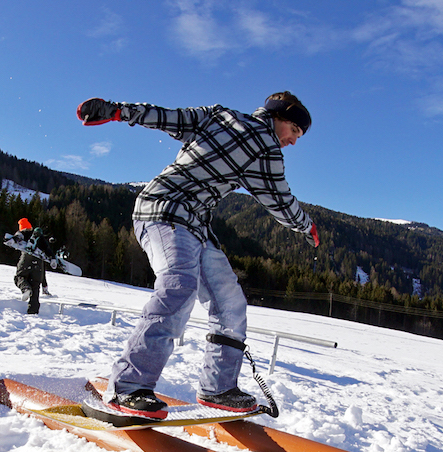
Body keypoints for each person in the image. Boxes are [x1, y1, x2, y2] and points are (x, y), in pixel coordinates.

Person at [76, 92, 319, 419]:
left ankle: (218, 387)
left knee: (229, 302)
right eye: (295, 132)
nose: (293, 141)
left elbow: (165, 116)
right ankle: (128, 388)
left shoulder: (219, 115)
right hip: (164, 212)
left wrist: (118, 111)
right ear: (282, 118)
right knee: (179, 284)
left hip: (195, 226)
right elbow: (280, 200)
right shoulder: (267, 150)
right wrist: (307, 227)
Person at [13, 217, 51, 315]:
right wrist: (44, 284)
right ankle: (33, 313)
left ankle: (25, 288)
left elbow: (18, 236)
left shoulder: (23, 234)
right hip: (38, 266)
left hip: (26, 261)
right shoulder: (39, 238)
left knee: (19, 277)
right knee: (35, 287)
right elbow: (47, 250)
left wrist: (14, 238)